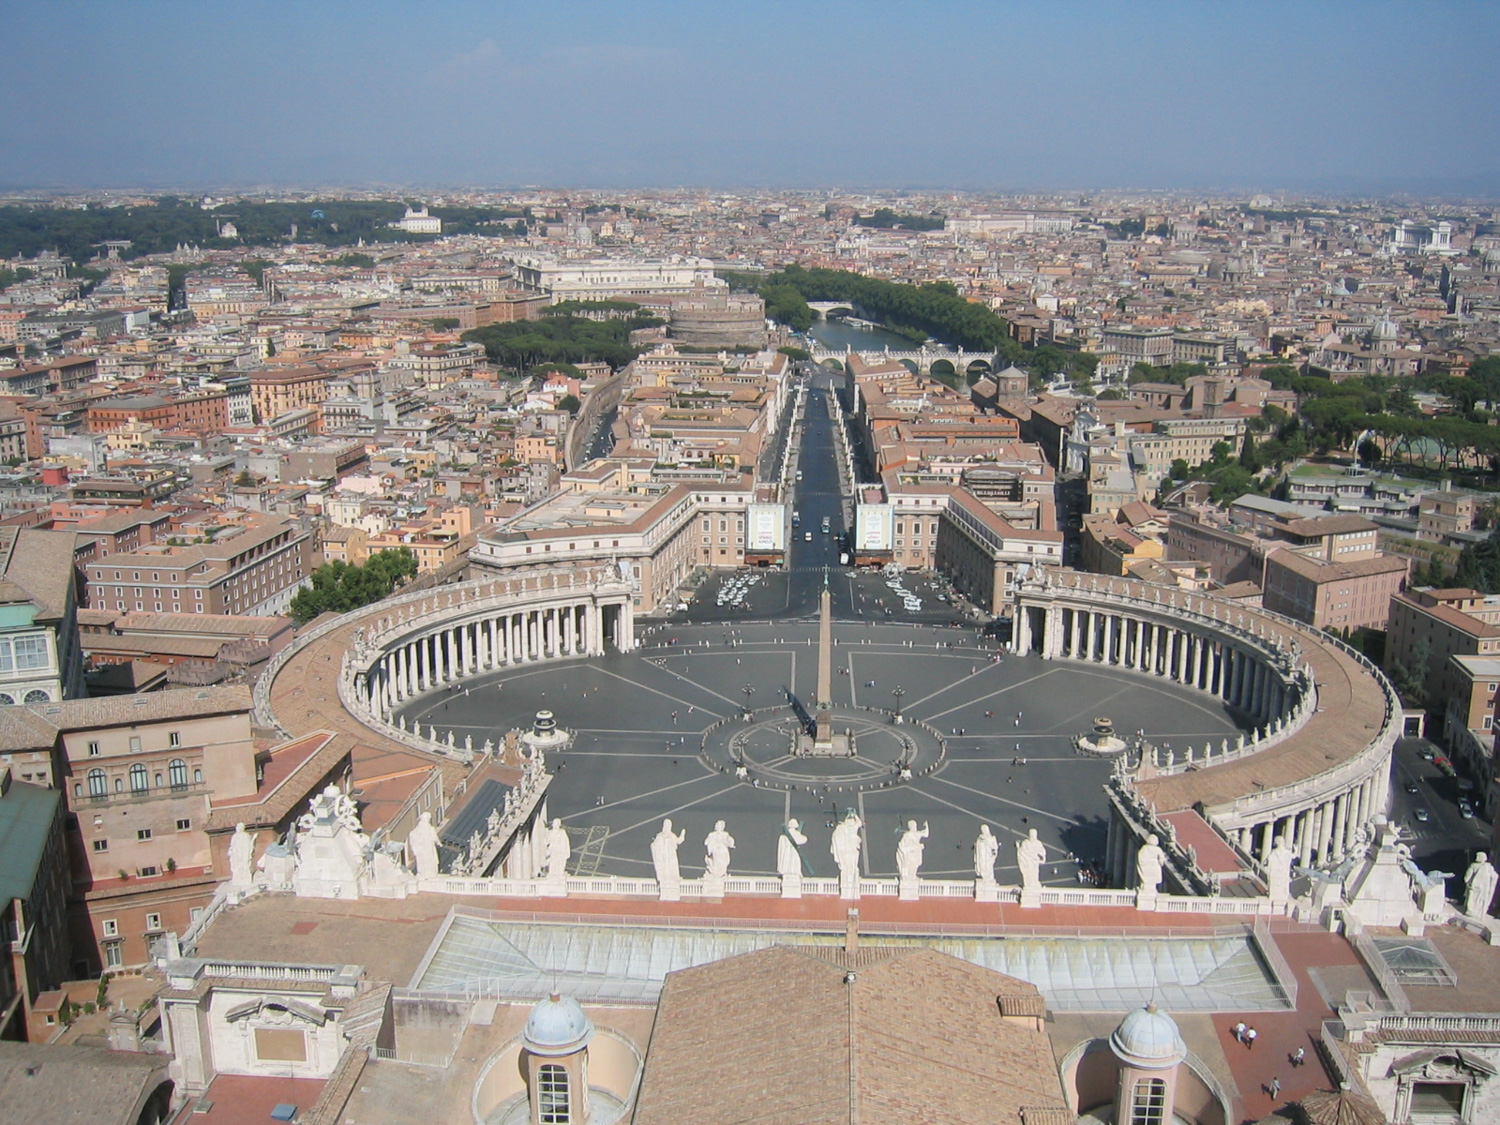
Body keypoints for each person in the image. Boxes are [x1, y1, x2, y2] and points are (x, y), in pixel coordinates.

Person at [650, 819, 687, 885]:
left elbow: (679, 841)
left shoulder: (672, 836)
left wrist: (682, 834)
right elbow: (655, 846)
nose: (668, 827)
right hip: (664, 858)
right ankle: (664, 880)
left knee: (672, 869)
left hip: (671, 857)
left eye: (669, 825)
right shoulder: (660, 836)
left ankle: (673, 880)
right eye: (667, 825)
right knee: (664, 870)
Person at [1464, 852, 1499, 918]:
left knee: (1473, 900)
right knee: (1480, 900)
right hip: (1484, 888)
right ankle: (1477, 913)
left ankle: (1471, 912)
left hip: (1475, 887)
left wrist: (1467, 882)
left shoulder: (1473, 865)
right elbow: (1495, 876)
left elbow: (1466, 877)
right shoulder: (1489, 867)